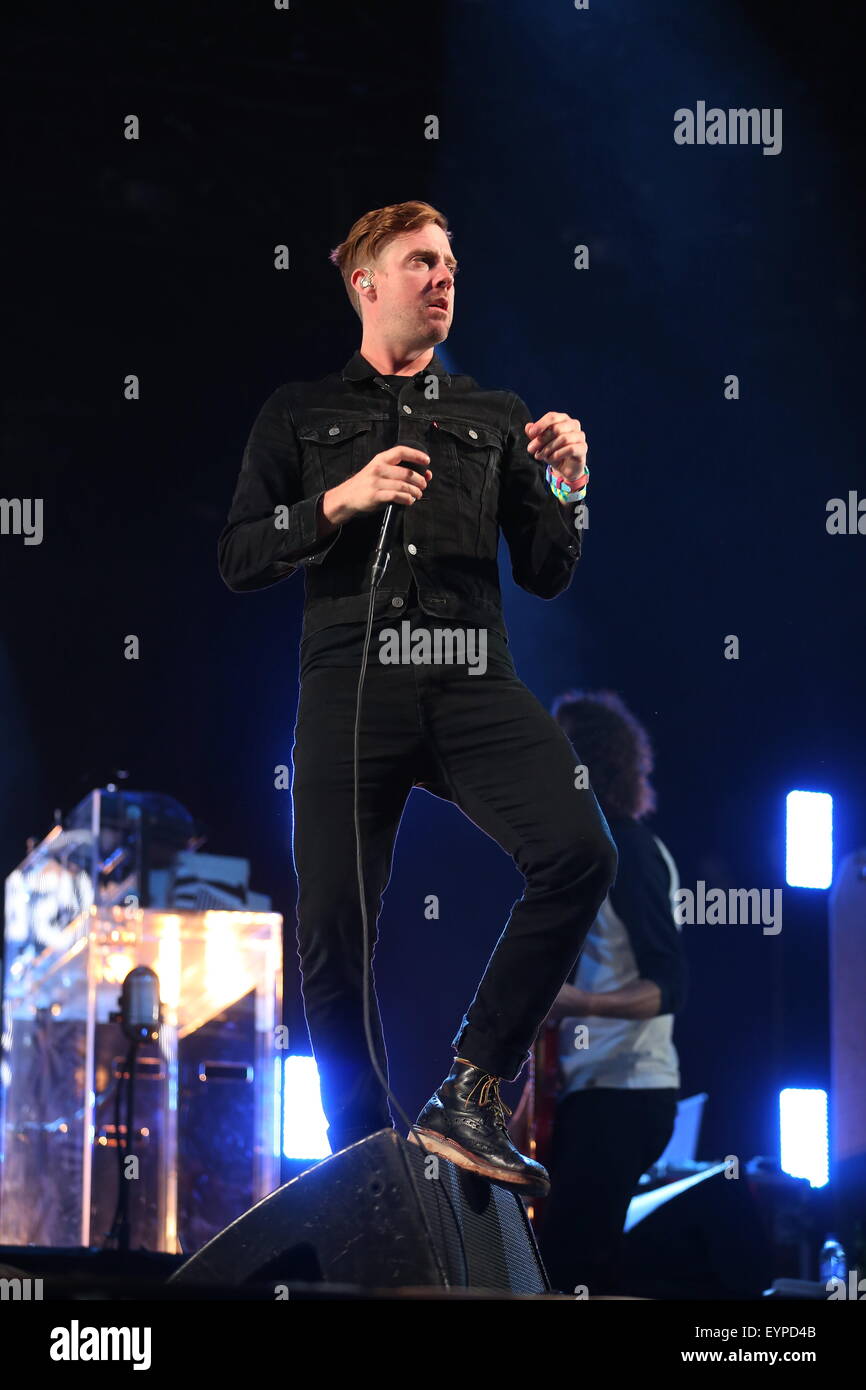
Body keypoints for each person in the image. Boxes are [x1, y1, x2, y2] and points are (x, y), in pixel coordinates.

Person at [217, 200, 617, 1196]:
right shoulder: (300, 413)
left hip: (469, 671)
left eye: (449, 263)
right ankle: (365, 1170)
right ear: (365, 284)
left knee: (579, 850)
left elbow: (545, 570)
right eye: (419, 262)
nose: (441, 278)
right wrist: (338, 500)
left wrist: (567, 487)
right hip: (350, 677)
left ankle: (472, 1087)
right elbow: (239, 554)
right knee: (332, 932)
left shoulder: (490, 412)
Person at [536, 690, 688, 1292]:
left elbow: (670, 983)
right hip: (590, 1091)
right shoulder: (589, 849)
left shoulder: (630, 851)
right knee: (567, 1264)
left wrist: (580, 1004)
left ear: (587, 761)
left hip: (625, 1093)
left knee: (570, 1269)